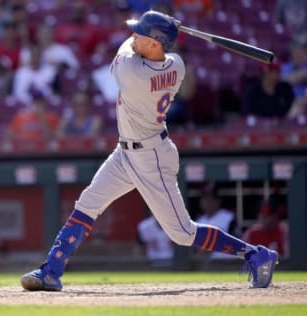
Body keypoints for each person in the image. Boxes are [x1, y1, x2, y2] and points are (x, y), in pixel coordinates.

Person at [20, 10, 279, 292]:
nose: (133, 36)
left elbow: (124, 48)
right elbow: (159, 48)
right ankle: (51, 271)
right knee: (87, 204)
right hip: (126, 152)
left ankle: (256, 254)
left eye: (140, 35)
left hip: (151, 157)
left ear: (155, 44)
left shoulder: (131, 71)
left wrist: (162, 29)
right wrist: (163, 29)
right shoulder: (177, 64)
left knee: (182, 233)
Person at [195, 182, 241, 259]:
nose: (207, 203)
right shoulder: (199, 221)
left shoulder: (228, 217)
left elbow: (237, 241)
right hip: (204, 265)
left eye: (211, 199)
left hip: (226, 261)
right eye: (205, 199)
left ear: (218, 201)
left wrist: (212, 246)